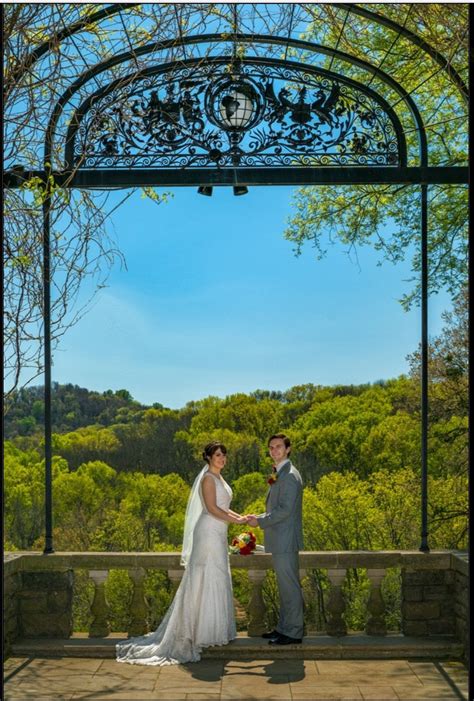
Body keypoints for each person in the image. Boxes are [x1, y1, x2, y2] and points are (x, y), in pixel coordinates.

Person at [116, 441, 247, 665]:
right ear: (208, 458)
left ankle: (212, 631)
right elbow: (211, 508)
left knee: (216, 577)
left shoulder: (220, 478)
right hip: (207, 533)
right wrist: (237, 520)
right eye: (217, 455)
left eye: (224, 455)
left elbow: (223, 508)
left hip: (218, 533)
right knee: (204, 578)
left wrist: (241, 517)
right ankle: (194, 633)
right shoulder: (207, 478)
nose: (222, 458)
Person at [246, 433, 304, 645]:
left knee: (290, 588)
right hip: (280, 540)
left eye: (279, 447)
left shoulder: (289, 475)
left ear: (288, 449)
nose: (274, 450)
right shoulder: (280, 473)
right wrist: (257, 517)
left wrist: (259, 522)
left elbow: (285, 511)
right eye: (271, 447)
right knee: (284, 588)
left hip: (286, 541)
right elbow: (277, 509)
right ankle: (283, 628)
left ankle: (294, 632)